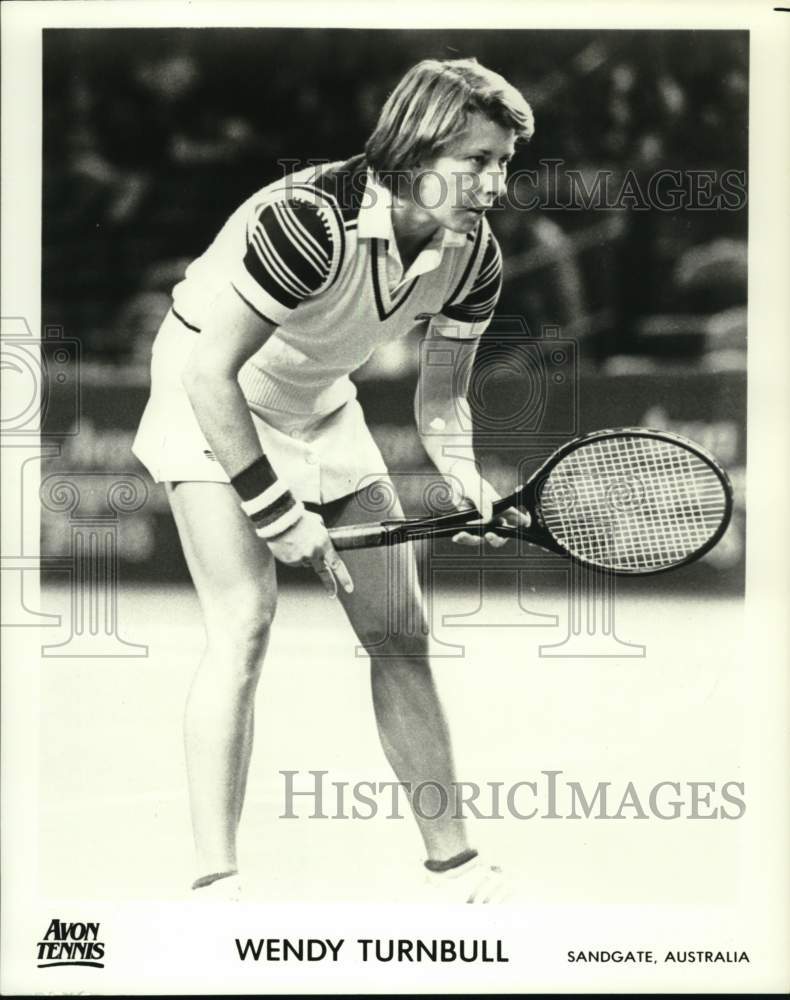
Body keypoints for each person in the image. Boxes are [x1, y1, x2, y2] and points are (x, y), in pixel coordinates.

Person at [132, 57, 535, 902]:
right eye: (478, 162)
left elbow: (442, 400)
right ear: (417, 150)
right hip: (208, 392)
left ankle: (453, 867)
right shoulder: (308, 220)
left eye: (504, 162)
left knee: (400, 633)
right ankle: (217, 879)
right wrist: (277, 512)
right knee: (245, 619)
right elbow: (212, 375)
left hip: (319, 406)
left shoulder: (474, 257)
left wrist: (461, 474)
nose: (496, 183)